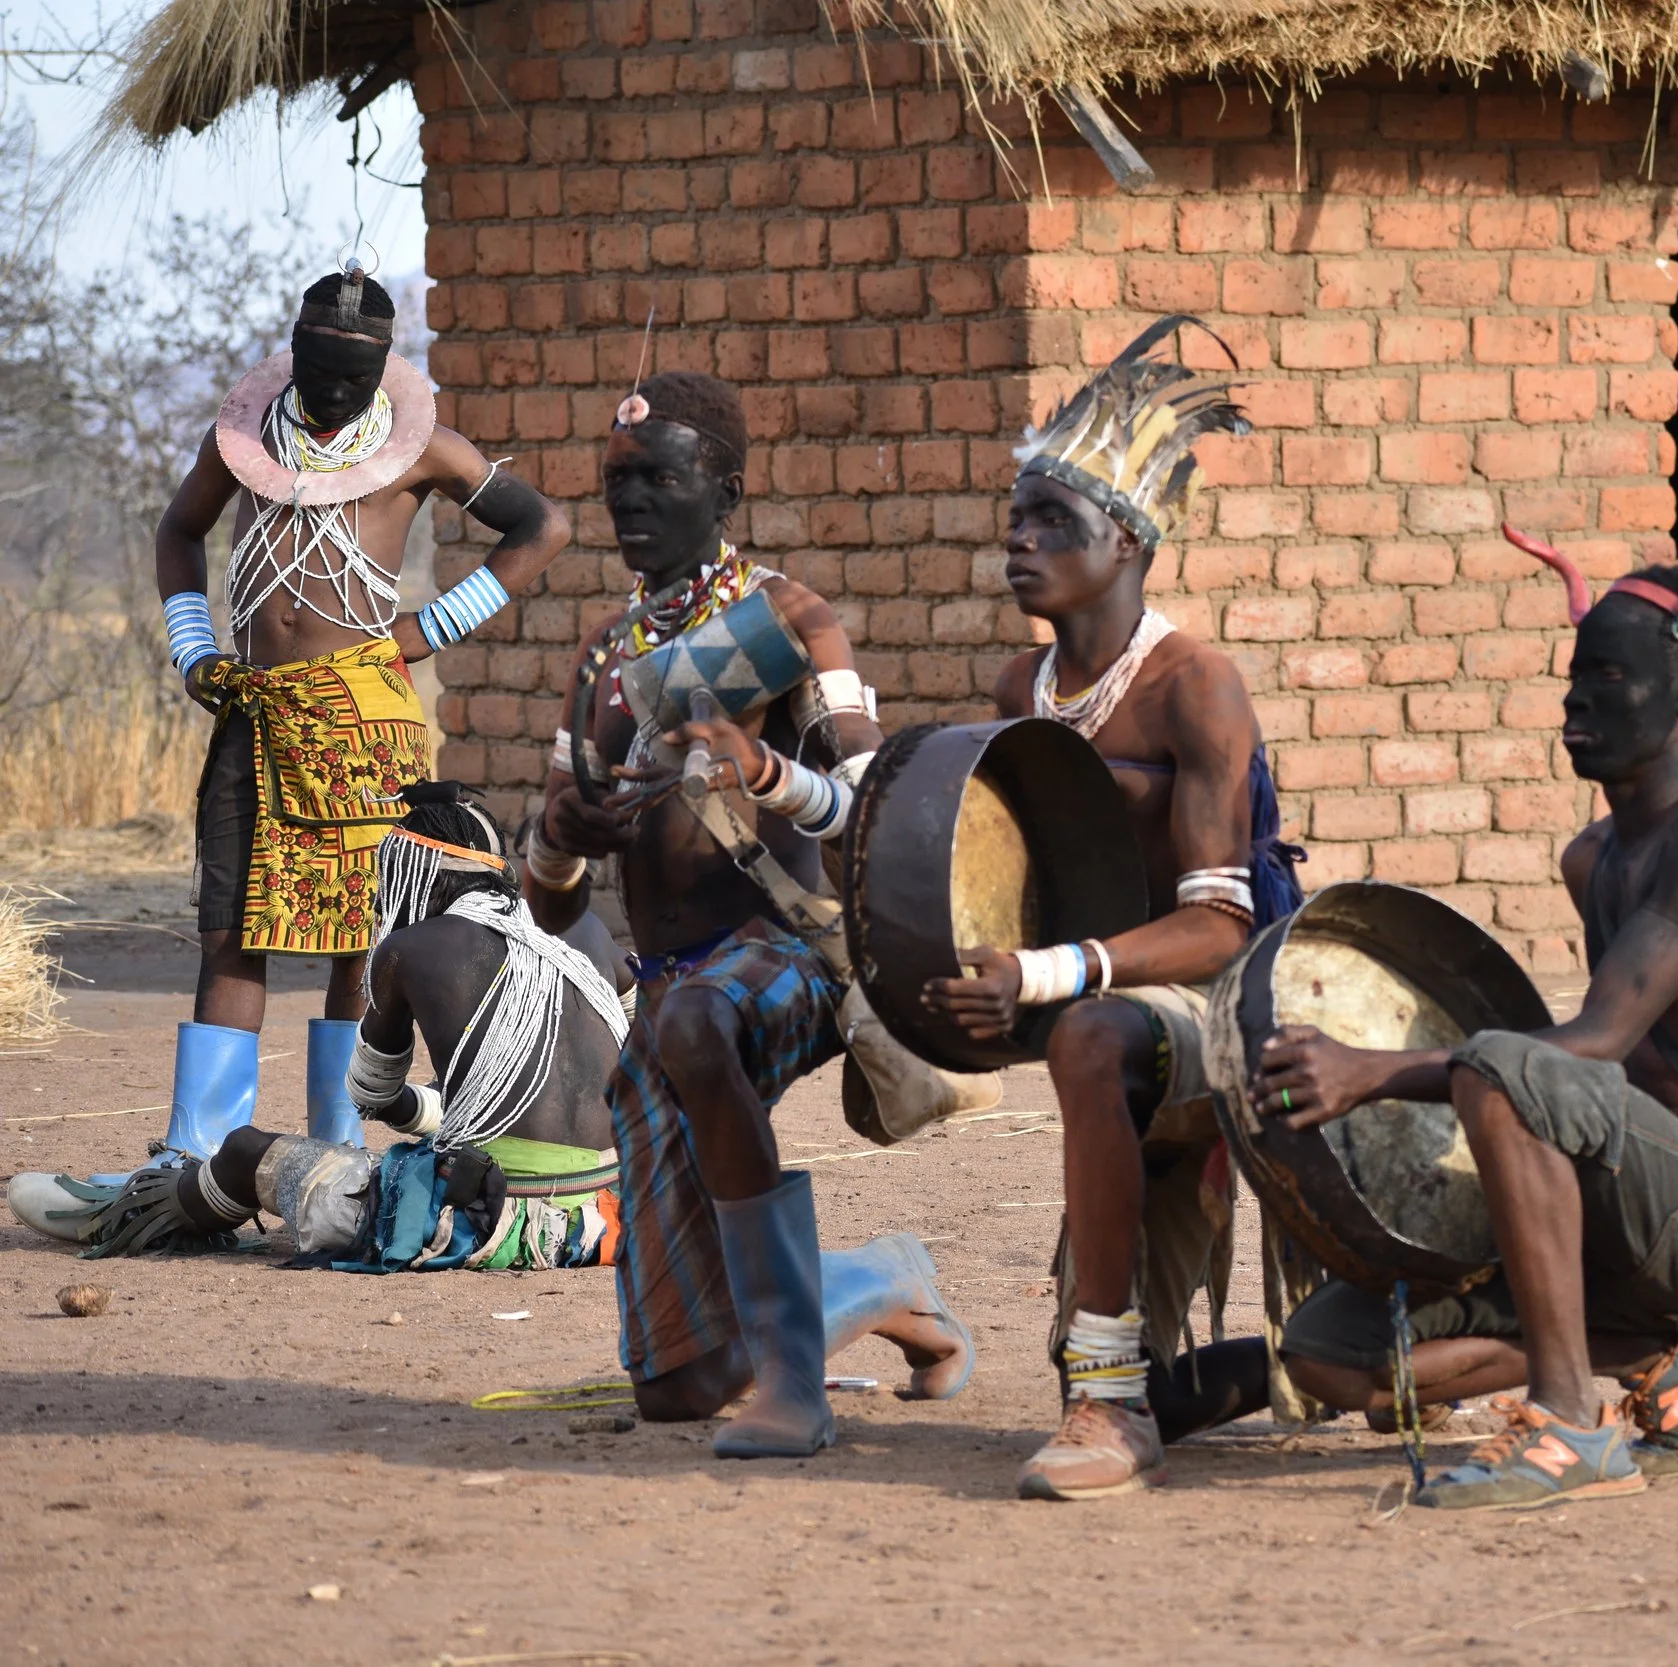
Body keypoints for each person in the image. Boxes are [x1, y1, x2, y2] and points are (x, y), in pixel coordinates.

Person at [1254, 551, 1678, 1511]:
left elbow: (1594, 1044)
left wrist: (1371, 1071)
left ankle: (1567, 1421)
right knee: (1327, 1356)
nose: (1574, 702)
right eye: (1573, 676)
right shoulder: (1592, 854)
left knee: (1502, 1067)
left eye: (1607, 676)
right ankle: (1648, 1353)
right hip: (1627, 1218)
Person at [526, 370, 976, 1457]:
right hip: (676, 991)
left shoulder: (784, 619)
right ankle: (882, 1281)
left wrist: (769, 769)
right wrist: (565, 839)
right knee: (681, 1387)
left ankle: (791, 1376)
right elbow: (549, 907)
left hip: (786, 954)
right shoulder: (604, 661)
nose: (629, 502)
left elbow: (872, 802)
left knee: (693, 1022)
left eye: (658, 480)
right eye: (616, 482)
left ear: (724, 490)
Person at [924, 316, 1305, 1501]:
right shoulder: (1018, 688)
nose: (1020, 542)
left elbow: (1221, 925)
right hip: (1100, 1009)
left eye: (1054, 523)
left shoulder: (1194, 685)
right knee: (1099, 1331)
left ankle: (1114, 1400)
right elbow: (1017, 887)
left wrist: (1046, 979)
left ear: (1130, 538)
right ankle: (1257, 1374)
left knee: (1091, 1030)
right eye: (1014, 522)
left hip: (1210, 1011)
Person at [141, 265, 568, 1173]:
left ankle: (333, 1158)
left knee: (355, 941)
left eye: (354, 380)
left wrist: (429, 629)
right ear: (292, 354)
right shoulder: (244, 435)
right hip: (252, 713)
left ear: (384, 370)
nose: (333, 396)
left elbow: (542, 526)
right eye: (318, 373)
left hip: (365, 718)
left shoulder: (423, 448)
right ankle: (200, 1162)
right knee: (230, 929)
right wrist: (193, 645)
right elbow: (179, 531)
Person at [10, 785, 636, 1270]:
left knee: (244, 1150)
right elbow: (620, 1020)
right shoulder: (585, 934)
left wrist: (415, 1109)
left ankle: (142, 1214)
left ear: (412, 875)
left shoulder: (412, 949)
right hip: (604, 1214)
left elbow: (371, 1095)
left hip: (489, 1220)